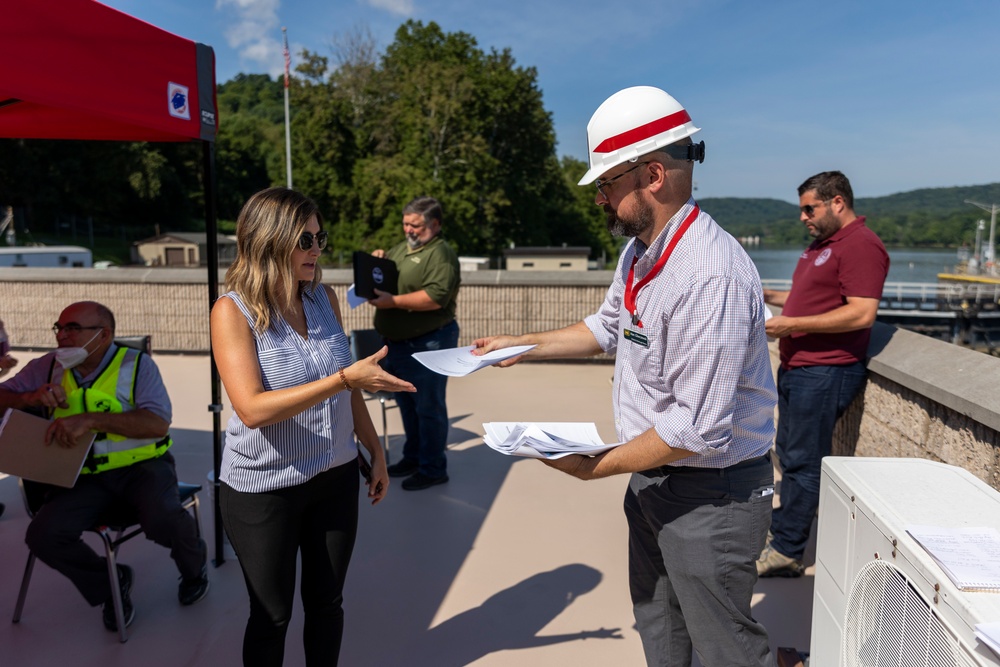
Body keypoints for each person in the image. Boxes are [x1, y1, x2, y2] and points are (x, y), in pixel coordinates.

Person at [473, 86, 777, 666]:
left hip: (711, 496)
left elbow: (696, 429)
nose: (600, 200)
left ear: (653, 176)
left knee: (725, 652)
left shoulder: (707, 276)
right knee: (662, 633)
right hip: (654, 479)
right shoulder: (641, 252)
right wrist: (525, 344)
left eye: (607, 185)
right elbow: (609, 326)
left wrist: (593, 469)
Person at [211, 186, 414, 667]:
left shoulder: (322, 298)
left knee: (327, 603)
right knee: (272, 617)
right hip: (265, 489)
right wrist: (345, 377)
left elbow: (348, 387)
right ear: (269, 240)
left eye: (321, 238)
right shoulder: (232, 312)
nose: (317, 250)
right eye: (305, 239)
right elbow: (252, 409)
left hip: (335, 476)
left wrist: (375, 451)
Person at [0, 301, 208, 632]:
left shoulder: (137, 365)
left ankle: (195, 568)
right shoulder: (47, 367)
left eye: (72, 329)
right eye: (60, 328)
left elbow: (156, 423)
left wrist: (89, 420)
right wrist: (27, 398)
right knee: (43, 535)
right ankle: (112, 584)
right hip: (81, 475)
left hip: (142, 468)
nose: (62, 336)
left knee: (163, 518)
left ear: (103, 334)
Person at [756, 171, 889, 578]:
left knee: (803, 462)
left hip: (827, 370)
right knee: (789, 453)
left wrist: (791, 322)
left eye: (808, 208)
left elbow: (862, 312)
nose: (803, 217)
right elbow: (809, 297)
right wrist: (764, 295)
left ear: (837, 203)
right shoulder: (821, 247)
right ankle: (783, 534)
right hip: (800, 367)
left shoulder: (861, 245)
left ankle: (787, 551)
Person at [368, 196, 461, 491]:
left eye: (415, 224)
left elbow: (435, 297)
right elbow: (386, 277)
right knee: (407, 404)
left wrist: (392, 301)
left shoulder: (440, 254)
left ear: (435, 224)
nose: (408, 229)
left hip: (428, 342)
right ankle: (414, 456)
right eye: (405, 223)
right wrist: (376, 263)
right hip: (398, 345)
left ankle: (433, 468)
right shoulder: (401, 249)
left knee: (428, 408)